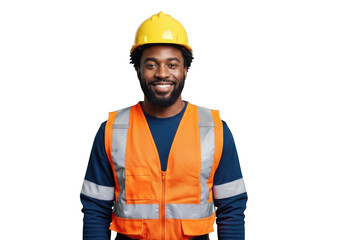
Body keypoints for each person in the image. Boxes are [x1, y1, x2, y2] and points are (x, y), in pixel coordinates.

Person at [80, 12, 247, 240]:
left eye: (172, 64)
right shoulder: (113, 130)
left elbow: (232, 209)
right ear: (138, 69)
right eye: (151, 64)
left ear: (185, 70)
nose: (162, 73)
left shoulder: (213, 129)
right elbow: (95, 209)